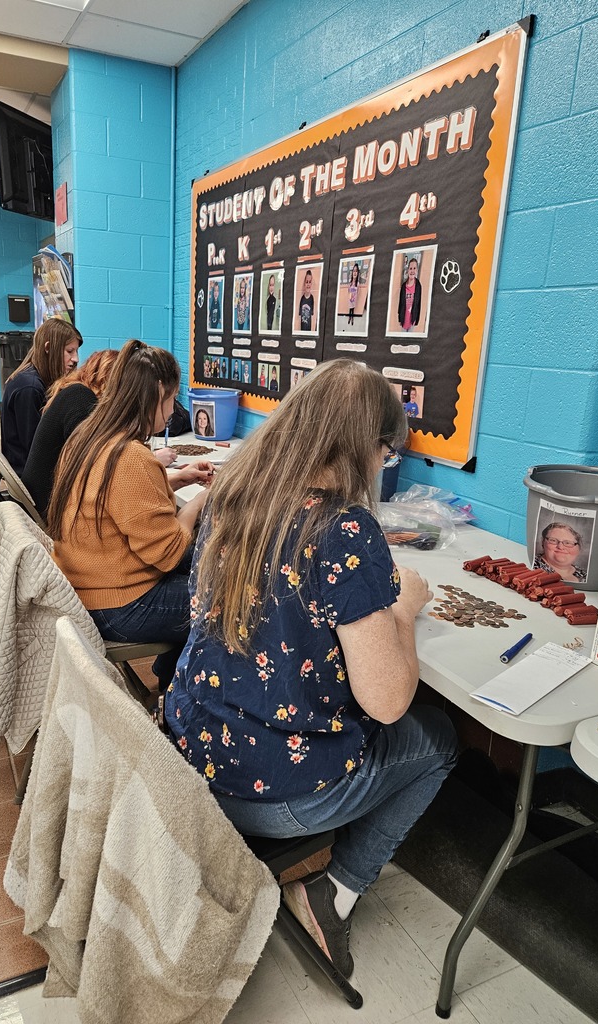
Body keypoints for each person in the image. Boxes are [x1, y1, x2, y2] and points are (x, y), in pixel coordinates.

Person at [166, 359, 457, 977]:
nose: (384, 463)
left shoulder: (237, 491)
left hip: (189, 751)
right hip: (271, 791)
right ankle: (334, 892)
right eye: (386, 448)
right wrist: (402, 611)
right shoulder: (345, 530)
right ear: (365, 446)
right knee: (437, 738)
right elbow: (387, 703)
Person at [48, 339, 214, 689]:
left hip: (84, 585)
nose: (172, 411)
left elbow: (127, 506)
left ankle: (170, 674)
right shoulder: (131, 458)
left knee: (207, 570)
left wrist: (180, 479)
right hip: (117, 606)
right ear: (155, 394)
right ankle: (182, 689)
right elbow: (169, 554)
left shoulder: (88, 437)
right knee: (228, 594)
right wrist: (201, 500)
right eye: (171, 399)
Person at [22, 348, 175, 518]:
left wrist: (175, 479)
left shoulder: (75, 392)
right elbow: (107, 477)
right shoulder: (82, 403)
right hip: (52, 511)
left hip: (47, 502)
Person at [0, 318, 82, 475]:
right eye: (69, 351)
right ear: (48, 348)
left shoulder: (32, 378)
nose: (76, 359)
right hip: (30, 476)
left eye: (76, 351)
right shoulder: (30, 388)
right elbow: (36, 450)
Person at [397, 257, 422, 332]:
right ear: (408, 270)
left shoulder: (418, 286)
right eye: (410, 268)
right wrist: (399, 318)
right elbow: (400, 303)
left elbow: (419, 303)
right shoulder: (403, 286)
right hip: (404, 320)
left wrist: (417, 319)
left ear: (417, 270)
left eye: (414, 268)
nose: (412, 271)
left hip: (412, 321)